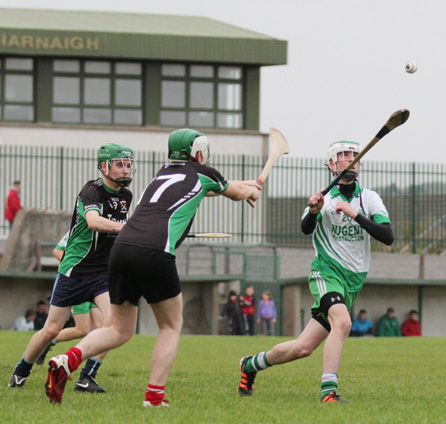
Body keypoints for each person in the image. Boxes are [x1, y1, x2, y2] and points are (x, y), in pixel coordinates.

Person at [44, 128, 261, 405]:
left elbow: (223, 186)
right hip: (155, 252)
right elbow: (233, 191)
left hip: (121, 249)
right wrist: (249, 190)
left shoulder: (162, 173)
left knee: (119, 330)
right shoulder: (206, 173)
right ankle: (154, 398)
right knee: (171, 326)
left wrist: (246, 187)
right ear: (198, 152)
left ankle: (67, 359)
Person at [238, 140, 394, 402]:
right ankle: (328, 393)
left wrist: (354, 214)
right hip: (326, 274)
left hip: (352, 282)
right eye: (344, 156)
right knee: (343, 323)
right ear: (332, 164)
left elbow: (387, 236)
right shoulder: (324, 198)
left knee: (302, 348)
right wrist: (313, 210)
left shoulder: (370, 198)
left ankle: (250, 365)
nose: (350, 160)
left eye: (354, 155)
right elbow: (306, 228)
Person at [8, 143, 134, 394]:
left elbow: (118, 232)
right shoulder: (92, 191)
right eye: (119, 164)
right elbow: (94, 222)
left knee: (114, 327)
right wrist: (126, 228)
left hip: (102, 274)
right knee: (51, 330)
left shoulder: (126, 197)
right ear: (104, 167)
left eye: (128, 164)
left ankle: (87, 376)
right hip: (74, 270)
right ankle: (21, 372)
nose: (125, 169)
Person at [36, 233, 104, 372]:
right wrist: (78, 267)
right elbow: (57, 250)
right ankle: (48, 342)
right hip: (80, 283)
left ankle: (89, 373)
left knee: (104, 328)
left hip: (98, 283)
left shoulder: (106, 230)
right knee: (82, 330)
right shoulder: (80, 228)